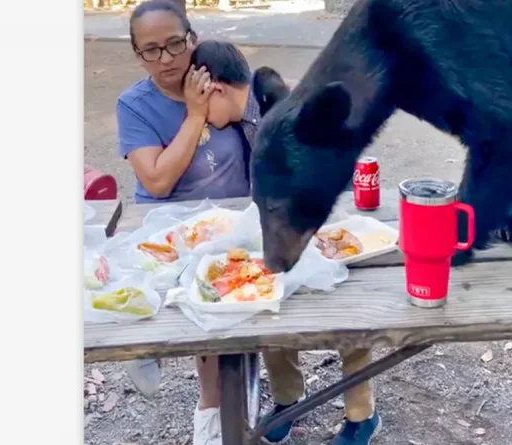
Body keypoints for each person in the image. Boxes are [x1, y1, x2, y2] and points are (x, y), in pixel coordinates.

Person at [190, 40, 381, 445]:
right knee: (268, 306)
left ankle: (361, 414)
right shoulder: (245, 115)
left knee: (346, 317)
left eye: (202, 103)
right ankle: (288, 399)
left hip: (327, 222)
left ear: (217, 89)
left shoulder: (279, 119)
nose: (202, 117)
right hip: (279, 229)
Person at [113, 2, 251, 444]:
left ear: (192, 38)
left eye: (174, 43)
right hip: (171, 233)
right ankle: (211, 416)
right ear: (138, 56)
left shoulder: (218, 75)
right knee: (203, 318)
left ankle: (243, 398)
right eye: (151, 50)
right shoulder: (135, 105)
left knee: (246, 318)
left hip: (234, 225)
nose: (166, 58)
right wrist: (194, 115)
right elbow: (155, 179)